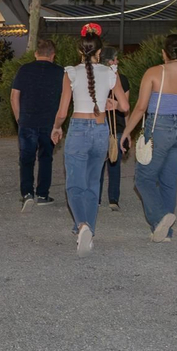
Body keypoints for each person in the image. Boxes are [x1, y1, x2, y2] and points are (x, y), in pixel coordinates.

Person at [122, 33, 177, 243]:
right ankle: (165, 233)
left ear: (163, 53)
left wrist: (126, 132)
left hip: (159, 127)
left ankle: (160, 219)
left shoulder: (153, 72)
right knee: (169, 180)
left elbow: (140, 107)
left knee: (143, 179)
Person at [51, 26, 128, 255]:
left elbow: (62, 111)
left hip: (78, 129)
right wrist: (112, 103)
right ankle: (88, 230)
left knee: (75, 183)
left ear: (79, 51)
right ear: (100, 52)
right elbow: (125, 106)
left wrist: (56, 127)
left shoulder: (71, 72)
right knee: (93, 183)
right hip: (101, 130)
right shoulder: (111, 73)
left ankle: (82, 224)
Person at [12, 39, 64, 206]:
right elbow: (65, 100)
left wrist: (19, 118)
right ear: (53, 55)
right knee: (46, 158)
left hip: (27, 120)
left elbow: (14, 96)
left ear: (36, 53)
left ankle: (27, 193)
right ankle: (42, 194)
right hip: (50, 123)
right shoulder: (60, 72)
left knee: (26, 158)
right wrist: (59, 123)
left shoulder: (24, 69)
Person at [100, 48, 129, 212]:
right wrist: (127, 131)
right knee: (114, 164)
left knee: (98, 164)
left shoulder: (94, 78)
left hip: (99, 125)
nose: (117, 62)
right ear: (110, 61)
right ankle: (113, 199)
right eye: (115, 59)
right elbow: (126, 109)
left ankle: (96, 199)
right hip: (117, 126)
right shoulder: (122, 79)